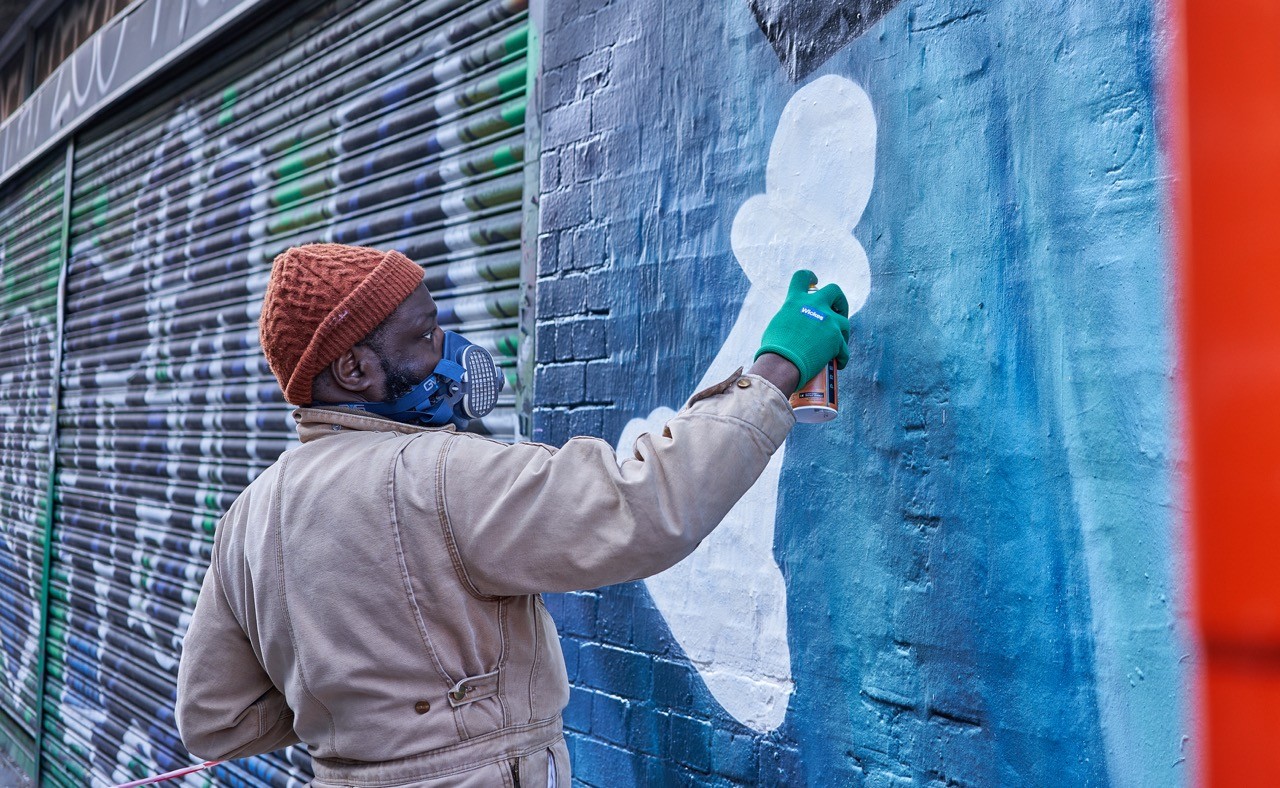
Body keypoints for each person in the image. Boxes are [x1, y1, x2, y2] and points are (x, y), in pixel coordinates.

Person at [175, 243, 850, 787]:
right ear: (354, 371)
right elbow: (645, 506)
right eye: (424, 336)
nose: (451, 349)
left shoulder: (248, 516)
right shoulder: (443, 474)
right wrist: (774, 372)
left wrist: (354, 710)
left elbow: (213, 719)